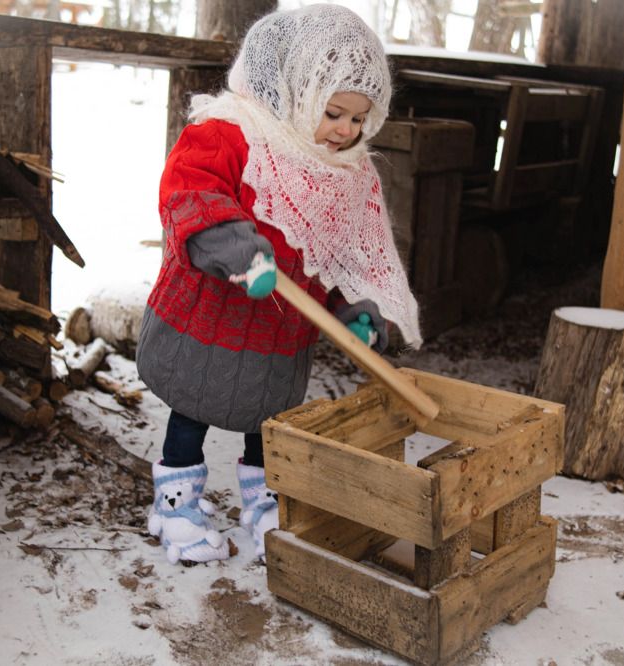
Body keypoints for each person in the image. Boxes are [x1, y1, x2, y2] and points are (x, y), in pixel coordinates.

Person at [136, 3, 422, 564]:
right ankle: (177, 507)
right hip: (208, 322)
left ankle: (263, 502)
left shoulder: (346, 174)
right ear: (295, 90)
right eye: (334, 113)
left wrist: (352, 311)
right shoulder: (230, 134)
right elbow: (189, 191)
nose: (346, 131)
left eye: (359, 120)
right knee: (190, 415)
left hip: (277, 340)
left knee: (267, 429)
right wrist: (232, 243)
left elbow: (336, 256)